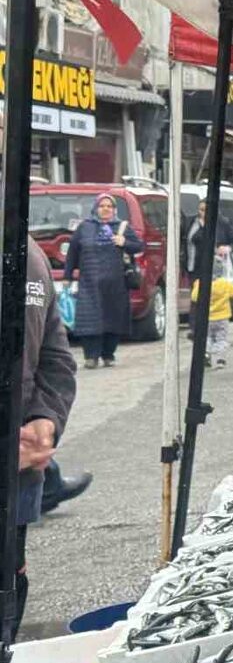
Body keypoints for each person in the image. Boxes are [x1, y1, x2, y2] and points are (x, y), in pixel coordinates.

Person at [13, 237, 77, 637]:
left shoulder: (29, 253)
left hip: (19, 481)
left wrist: (45, 417)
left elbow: (55, 357)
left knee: (10, 583)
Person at [64, 192, 144, 369]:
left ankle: (108, 354)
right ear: (95, 208)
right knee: (89, 320)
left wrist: (124, 242)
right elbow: (72, 253)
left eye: (109, 206)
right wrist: (67, 277)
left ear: (114, 209)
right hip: (89, 282)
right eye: (102, 206)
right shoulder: (84, 227)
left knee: (112, 319)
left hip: (115, 284)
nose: (106, 209)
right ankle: (91, 357)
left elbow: (139, 247)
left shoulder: (122, 227)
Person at [190, 271, 233, 369]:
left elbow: (194, 297)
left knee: (207, 337)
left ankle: (206, 353)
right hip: (222, 318)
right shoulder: (224, 284)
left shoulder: (200, 283)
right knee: (221, 339)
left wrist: (196, 284)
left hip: (207, 318)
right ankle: (220, 359)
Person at [184, 197, 233, 276]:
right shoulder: (192, 222)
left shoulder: (223, 223)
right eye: (201, 210)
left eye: (207, 210)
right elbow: (185, 241)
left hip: (214, 269)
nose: (203, 213)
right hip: (193, 268)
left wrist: (226, 249)